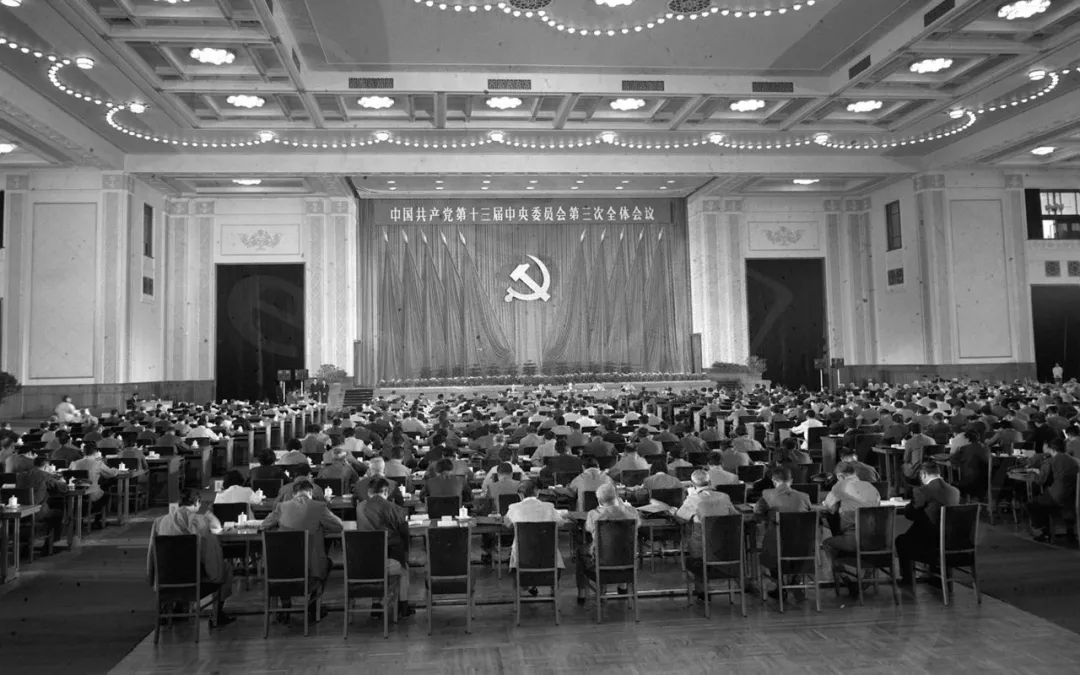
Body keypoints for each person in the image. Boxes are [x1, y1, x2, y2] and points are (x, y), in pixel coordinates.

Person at [146, 488, 234, 626]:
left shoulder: (159, 522)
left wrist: (153, 579)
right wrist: (209, 515)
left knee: (176, 563)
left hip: (165, 580)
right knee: (225, 568)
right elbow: (210, 554)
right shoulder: (200, 521)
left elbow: (152, 554)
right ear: (197, 502)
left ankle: (171, 609)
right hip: (193, 583)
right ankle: (217, 616)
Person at [260, 477, 344, 621]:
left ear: (294, 494)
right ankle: (313, 605)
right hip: (311, 573)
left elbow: (263, 525)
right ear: (310, 493)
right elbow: (338, 526)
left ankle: (285, 604)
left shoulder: (281, 507)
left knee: (285, 561)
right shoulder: (319, 506)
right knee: (327, 563)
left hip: (281, 572)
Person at [354, 476, 414, 617]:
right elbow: (404, 533)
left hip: (362, 562)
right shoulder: (394, 508)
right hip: (387, 560)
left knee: (377, 563)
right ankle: (403, 606)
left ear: (369, 492)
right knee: (403, 568)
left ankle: (376, 604)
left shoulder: (360, 507)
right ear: (386, 492)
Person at [673, 469, 738, 598]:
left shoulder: (693, 499)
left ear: (692, 485)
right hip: (726, 550)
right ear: (710, 482)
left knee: (694, 548)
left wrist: (673, 512)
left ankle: (701, 589)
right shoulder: (725, 497)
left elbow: (680, 519)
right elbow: (735, 516)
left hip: (701, 552)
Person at [821, 463, 882, 595]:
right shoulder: (871, 487)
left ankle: (847, 579)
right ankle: (867, 576)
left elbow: (829, 507)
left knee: (828, 544)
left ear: (840, 476)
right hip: (875, 539)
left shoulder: (841, 485)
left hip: (854, 539)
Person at [896, 462, 960, 585]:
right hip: (952, 541)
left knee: (901, 541)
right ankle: (937, 578)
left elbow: (910, 514)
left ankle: (907, 579)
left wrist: (908, 506)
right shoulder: (954, 491)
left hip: (930, 544)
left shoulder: (922, 490)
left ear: (924, 474)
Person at [576, 482, 639, 604]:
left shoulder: (594, 514)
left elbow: (588, 528)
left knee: (582, 550)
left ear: (599, 500)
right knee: (621, 546)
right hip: (628, 564)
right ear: (616, 497)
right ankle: (622, 587)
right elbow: (638, 524)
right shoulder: (632, 512)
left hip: (602, 564)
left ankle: (581, 595)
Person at [754, 467, 812, 600]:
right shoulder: (804, 496)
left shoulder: (767, 494)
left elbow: (757, 510)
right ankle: (795, 580)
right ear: (791, 481)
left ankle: (779, 586)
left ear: (774, 481)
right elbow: (810, 514)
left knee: (769, 547)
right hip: (802, 547)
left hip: (777, 547)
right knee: (796, 549)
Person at [503, 480, 566, 595]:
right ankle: (553, 589)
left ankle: (525, 587)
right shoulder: (549, 507)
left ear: (520, 495)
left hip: (523, 561)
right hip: (550, 561)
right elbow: (561, 523)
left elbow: (507, 524)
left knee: (517, 551)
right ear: (537, 492)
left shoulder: (513, 508)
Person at [1026, 438, 1080, 542]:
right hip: (1074, 497)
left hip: (1056, 496)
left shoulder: (1050, 461)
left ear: (1051, 448)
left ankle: (1044, 532)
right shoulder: (1075, 460)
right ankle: (1070, 530)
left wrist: (1033, 473)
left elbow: (1040, 481)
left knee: (1032, 504)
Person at [16, 456, 68, 542]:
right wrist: (62, 481)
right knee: (58, 513)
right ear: (46, 466)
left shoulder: (21, 475)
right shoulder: (44, 475)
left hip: (20, 511)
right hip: (37, 511)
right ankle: (51, 544)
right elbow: (63, 489)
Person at [71, 445, 119, 524]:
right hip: (92, 492)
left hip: (76, 493)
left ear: (83, 452)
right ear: (95, 453)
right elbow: (111, 473)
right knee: (106, 495)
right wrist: (116, 469)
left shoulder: (75, 463)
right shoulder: (98, 463)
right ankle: (97, 519)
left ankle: (81, 519)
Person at [949, 428, 991, 500]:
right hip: (986, 481)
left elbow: (952, 459)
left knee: (953, 483)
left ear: (967, 438)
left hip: (969, 481)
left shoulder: (964, 448)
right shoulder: (986, 448)